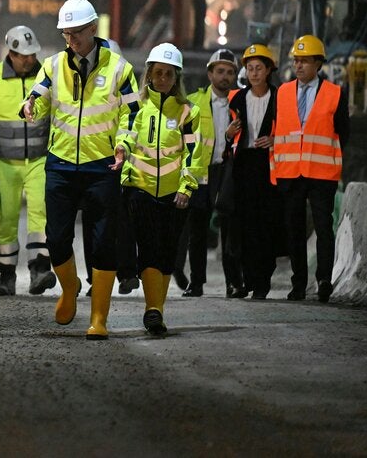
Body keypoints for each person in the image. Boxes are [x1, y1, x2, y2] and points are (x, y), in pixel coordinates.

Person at [23, 0, 138, 340]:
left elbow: (131, 114)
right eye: (66, 34)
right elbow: (38, 98)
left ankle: (99, 318)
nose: (70, 40)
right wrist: (29, 105)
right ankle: (69, 286)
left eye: (76, 33)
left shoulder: (119, 69)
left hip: (103, 166)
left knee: (103, 243)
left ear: (93, 29)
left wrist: (124, 144)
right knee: (57, 238)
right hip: (60, 164)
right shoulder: (53, 65)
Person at [118, 43, 203, 336]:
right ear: (149, 75)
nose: (163, 78)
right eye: (158, 73)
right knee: (150, 249)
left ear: (176, 77)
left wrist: (187, 187)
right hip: (140, 190)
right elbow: (125, 137)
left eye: (169, 74)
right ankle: (152, 311)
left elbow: (194, 154)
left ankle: (157, 309)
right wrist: (121, 156)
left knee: (167, 252)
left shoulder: (188, 111)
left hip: (174, 194)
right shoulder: (137, 106)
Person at [272, 34, 349, 302]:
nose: (299, 65)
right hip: (291, 173)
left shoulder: (335, 93)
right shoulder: (282, 92)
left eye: (305, 61)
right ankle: (298, 283)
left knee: (323, 228)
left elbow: (343, 134)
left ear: (318, 64)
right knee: (294, 230)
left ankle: (324, 280)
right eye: (296, 60)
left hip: (321, 174)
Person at [0, 25, 53, 296]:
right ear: (11, 53)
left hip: (39, 160)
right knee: (6, 219)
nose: (30, 60)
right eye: (24, 55)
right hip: (3, 163)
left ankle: (39, 270)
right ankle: (6, 276)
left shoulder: (47, 78)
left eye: (32, 54)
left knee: (41, 215)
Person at [177, 48, 239, 297]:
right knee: (197, 231)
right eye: (220, 71)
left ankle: (233, 283)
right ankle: (197, 282)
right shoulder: (194, 102)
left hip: (227, 172)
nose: (225, 76)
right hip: (201, 172)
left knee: (230, 230)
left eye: (230, 72)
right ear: (210, 74)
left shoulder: (239, 103)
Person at [225, 44, 283, 299]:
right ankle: (249, 280)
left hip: (268, 166)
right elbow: (228, 137)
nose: (254, 73)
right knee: (245, 225)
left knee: (266, 224)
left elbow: (291, 131)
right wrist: (228, 134)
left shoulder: (281, 98)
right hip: (244, 165)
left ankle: (263, 280)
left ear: (269, 70)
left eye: (259, 68)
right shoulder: (237, 99)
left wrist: (275, 141)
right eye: (250, 68)